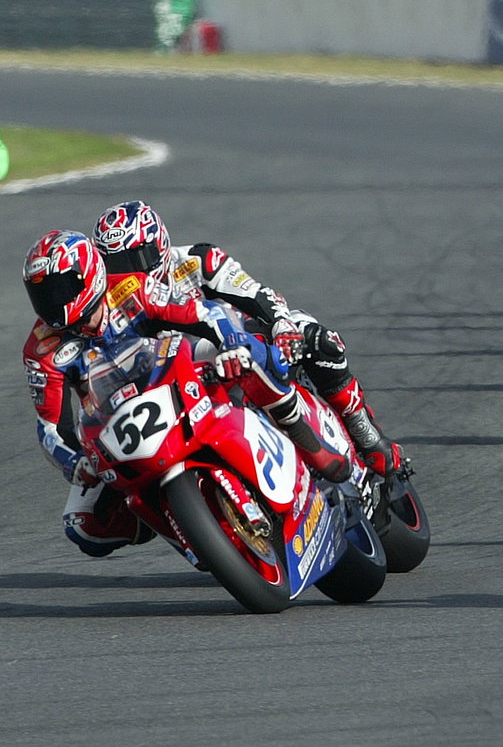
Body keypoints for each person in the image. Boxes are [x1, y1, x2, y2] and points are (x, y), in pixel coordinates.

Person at [23, 231, 350, 558]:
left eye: (61, 288)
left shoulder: (131, 287)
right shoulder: (41, 349)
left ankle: (300, 431)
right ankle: (182, 522)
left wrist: (231, 345)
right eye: (41, 294)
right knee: (83, 524)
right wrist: (74, 462)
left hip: (177, 370)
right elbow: (51, 428)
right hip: (119, 421)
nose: (53, 302)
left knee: (246, 353)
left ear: (91, 274)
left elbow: (206, 313)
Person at [91, 200, 403, 476]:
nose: (130, 273)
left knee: (318, 339)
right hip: (181, 383)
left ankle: (363, 430)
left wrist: (280, 324)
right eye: (115, 265)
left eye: (137, 259)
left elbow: (253, 293)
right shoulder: (110, 305)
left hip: (243, 345)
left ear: (159, 245)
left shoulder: (197, 260)